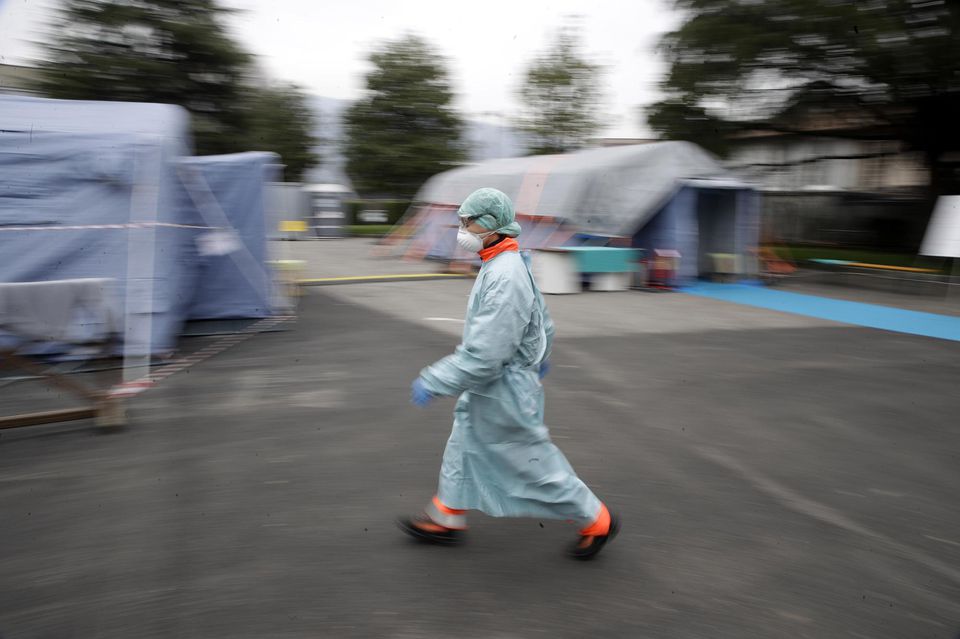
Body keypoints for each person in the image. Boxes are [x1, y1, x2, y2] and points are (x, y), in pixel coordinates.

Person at [397, 187, 619, 559]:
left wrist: (435, 380)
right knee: (463, 446)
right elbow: (542, 319)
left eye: (466, 222)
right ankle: (447, 517)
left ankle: (597, 519)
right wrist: (539, 352)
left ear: (488, 224)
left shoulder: (504, 274)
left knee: (528, 461)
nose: (461, 229)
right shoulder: (507, 262)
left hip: (503, 390)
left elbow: (486, 354)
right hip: (497, 386)